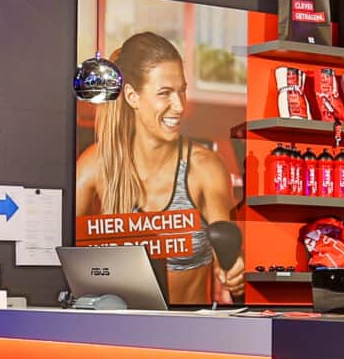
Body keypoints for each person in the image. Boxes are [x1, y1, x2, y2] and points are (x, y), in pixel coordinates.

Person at [73, 30, 244, 304]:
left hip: (188, 328)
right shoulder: (96, 166)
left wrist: (234, 271)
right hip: (119, 327)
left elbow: (227, 255)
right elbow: (61, 256)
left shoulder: (204, 168)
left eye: (182, 91)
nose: (179, 106)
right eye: (165, 93)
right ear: (132, 96)